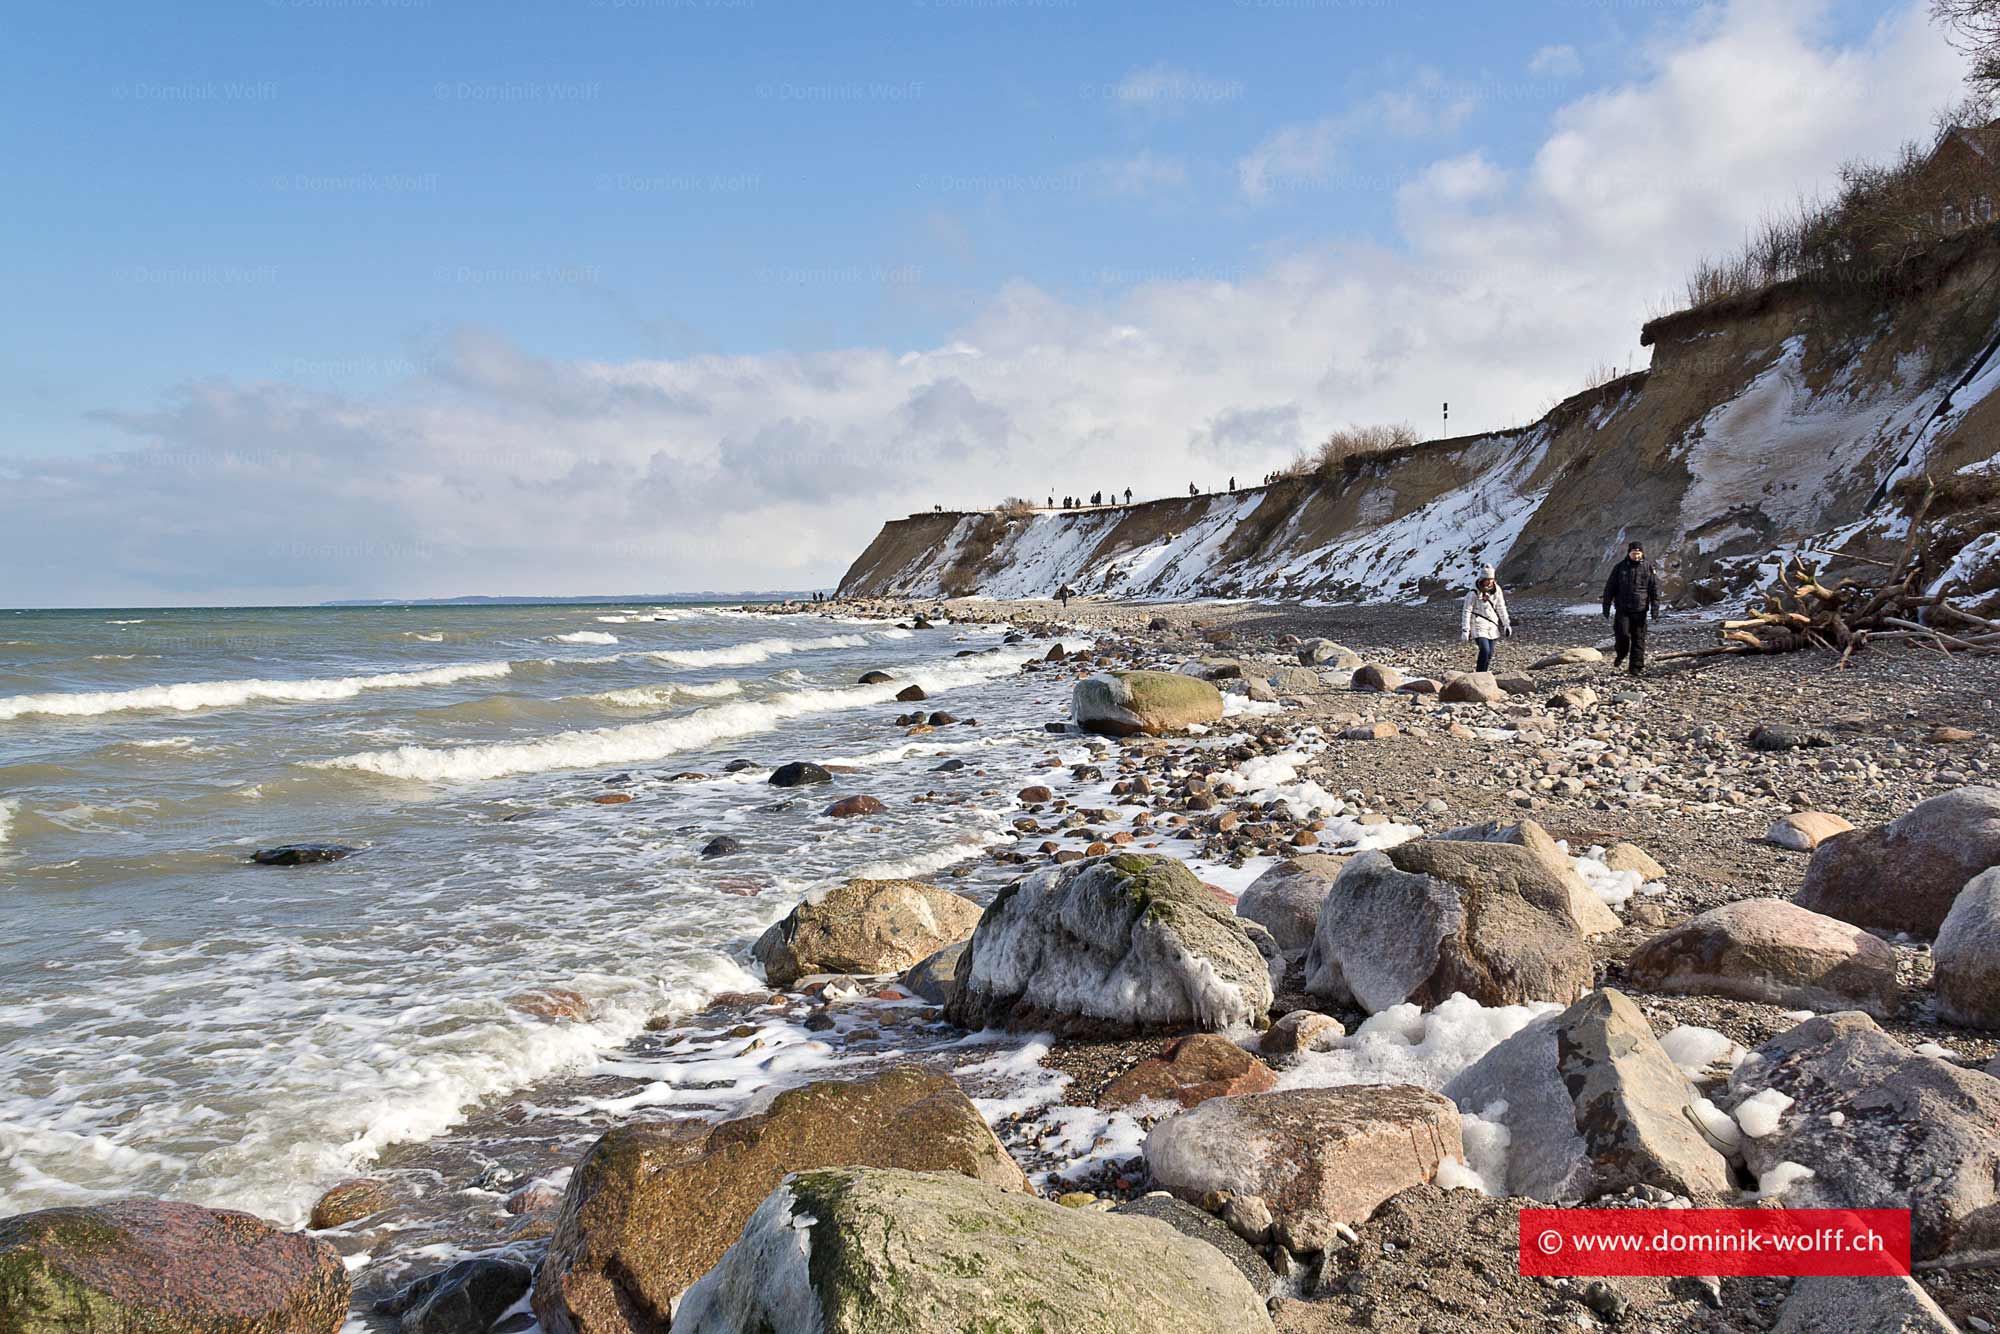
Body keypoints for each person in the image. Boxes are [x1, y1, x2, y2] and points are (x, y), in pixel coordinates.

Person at [1602, 540, 1662, 676]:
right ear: (1629, 553)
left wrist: (1655, 609)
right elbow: (1610, 587)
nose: (1636, 556)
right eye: (1634, 553)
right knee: (1622, 634)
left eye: (1639, 553)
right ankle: (1621, 654)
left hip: (1640, 609)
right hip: (1622, 608)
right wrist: (1606, 605)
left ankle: (1636, 667)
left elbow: (1654, 590)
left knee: (1639, 639)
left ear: (1642, 553)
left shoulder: (1648, 568)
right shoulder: (1619, 567)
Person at [1462, 564, 1511, 672]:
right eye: (1487, 579)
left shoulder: (1497, 590)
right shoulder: (1473, 593)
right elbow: (1467, 611)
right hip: (1478, 625)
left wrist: (1506, 624)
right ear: (1482, 579)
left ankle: (1483, 673)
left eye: (1491, 579)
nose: (1489, 582)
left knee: (1489, 654)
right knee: (1484, 650)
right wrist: (1466, 629)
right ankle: (1479, 674)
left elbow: (1501, 607)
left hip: (1492, 624)